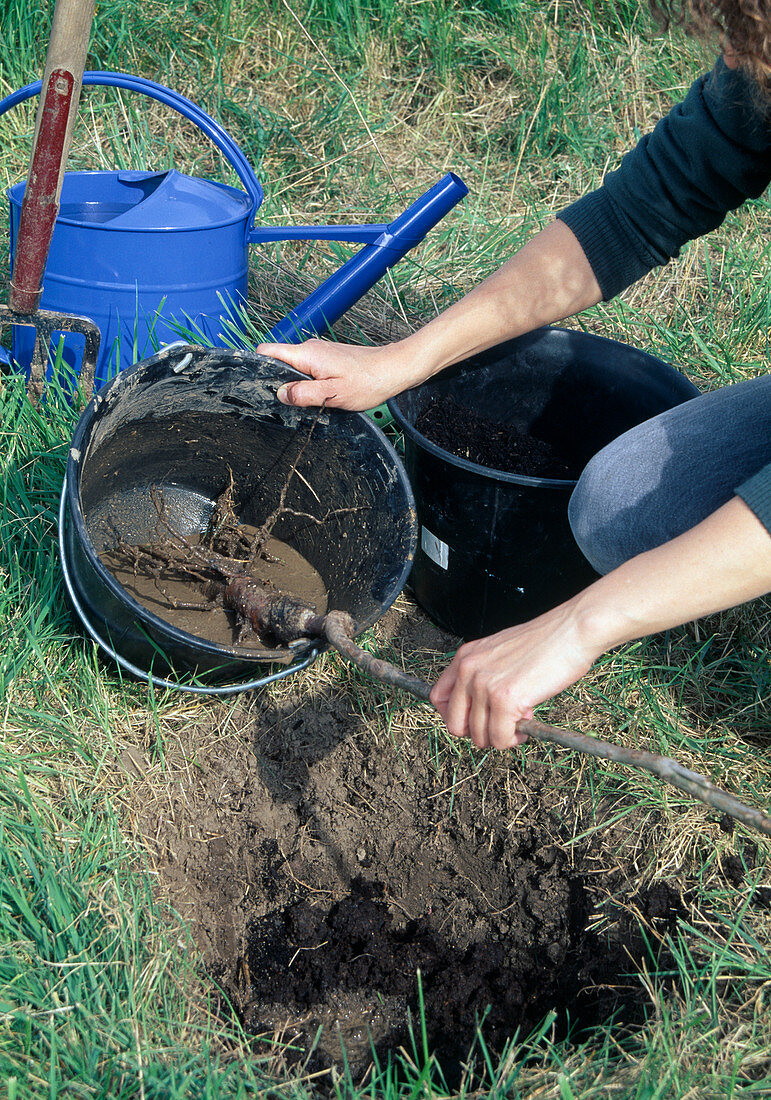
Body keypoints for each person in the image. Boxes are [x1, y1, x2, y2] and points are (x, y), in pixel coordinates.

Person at [257, 0, 771, 751]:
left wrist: (579, 625)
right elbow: (637, 213)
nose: (730, 57)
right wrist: (405, 359)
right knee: (620, 507)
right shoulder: (756, 65)